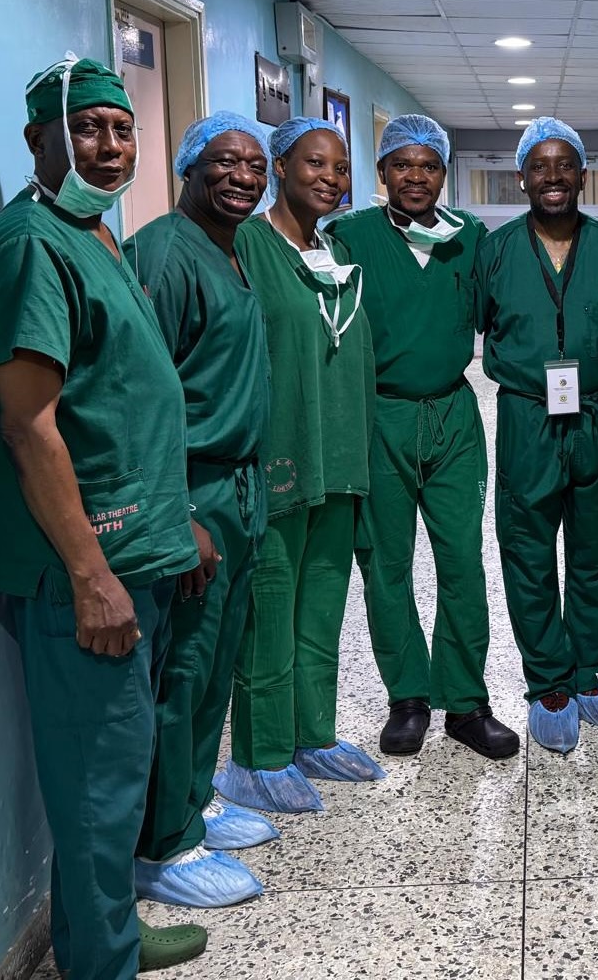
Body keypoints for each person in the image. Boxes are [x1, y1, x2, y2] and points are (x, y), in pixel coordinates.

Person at [0, 55, 207, 977]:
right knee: (99, 785)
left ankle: (102, 936)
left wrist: (176, 519)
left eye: (121, 129)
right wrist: (90, 574)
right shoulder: (30, 246)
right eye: (87, 129)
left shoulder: (94, 232)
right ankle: (103, 961)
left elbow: (124, 399)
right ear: (39, 139)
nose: (110, 147)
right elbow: (29, 426)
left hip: (138, 544)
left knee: (114, 772)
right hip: (86, 567)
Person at [326, 114, 519, 760]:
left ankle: (465, 701)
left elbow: (499, 312)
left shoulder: (468, 237)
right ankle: (407, 697)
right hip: (378, 416)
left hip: (452, 415)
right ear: (381, 171)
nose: (416, 176)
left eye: (429, 165)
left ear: (444, 173)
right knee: (386, 563)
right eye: (402, 165)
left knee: (462, 560)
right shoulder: (348, 236)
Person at [125, 113, 276, 909]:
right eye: (225, 161)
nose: (244, 176)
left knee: (216, 661)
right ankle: (162, 844)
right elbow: (141, 397)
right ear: (189, 166)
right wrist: (179, 509)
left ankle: (194, 801)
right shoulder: (163, 253)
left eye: (255, 164)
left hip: (238, 485)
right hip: (193, 489)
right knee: (182, 667)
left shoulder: (231, 248)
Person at [214, 116, 384, 815]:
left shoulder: (334, 249)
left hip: (338, 457)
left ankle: (313, 735)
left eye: (340, 168)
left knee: (322, 607)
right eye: (315, 163)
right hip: (279, 456)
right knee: (270, 609)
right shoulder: (246, 245)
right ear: (279, 167)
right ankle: (258, 756)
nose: (330, 178)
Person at [475, 116, 598, 754]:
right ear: (522, 177)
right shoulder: (496, 251)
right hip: (528, 417)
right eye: (539, 166)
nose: (552, 176)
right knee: (528, 550)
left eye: (565, 164)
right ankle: (548, 681)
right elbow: (478, 322)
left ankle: (586, 671)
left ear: (582, 175)